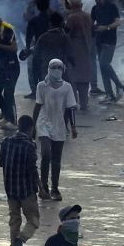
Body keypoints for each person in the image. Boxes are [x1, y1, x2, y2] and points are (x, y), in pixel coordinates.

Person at [34, 59, 78, 201]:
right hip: (43, 123)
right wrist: (33, 126)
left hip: (59, 125)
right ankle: (44, 186)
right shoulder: (41, 86)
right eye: (54, 67)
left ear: (63, 70)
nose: (56, 70)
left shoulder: (67, 87)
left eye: (59, 67)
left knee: (57, 159)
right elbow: (37, 106)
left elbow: (70, 108)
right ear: (49, 68)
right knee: (46, 154)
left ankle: (55, 188)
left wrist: (73, 127)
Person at [0, 114, 40, 246]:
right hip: (26, 190)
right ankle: (20, 240)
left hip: (9, 188)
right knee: (33, 219)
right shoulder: (30, 144)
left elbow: (0, 161)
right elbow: (32, 168)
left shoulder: (6, 141)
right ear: (30, 128)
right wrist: (40, 186)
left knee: (14, 219)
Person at [91, 0, 124, 103]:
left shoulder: (112, 7)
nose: (97, 1)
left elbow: (118, 22)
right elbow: (92, 22)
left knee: (104, 64)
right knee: (102, 67)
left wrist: (106, 27)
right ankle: (109, 94)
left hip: (110, 40)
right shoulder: (95, 8)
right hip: (99, 40)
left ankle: (119, 85)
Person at [0, 17, 21, 128]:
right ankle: (7, 116)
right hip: (2, 67)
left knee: (8, 93)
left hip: (11, 66)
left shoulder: (7, 29)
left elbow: (14, 48)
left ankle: (13, 121)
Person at [63, 0, 94, 111]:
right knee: (84, 77)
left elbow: (67, 33)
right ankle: (84, 103)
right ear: (80, 5)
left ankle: (73, 103)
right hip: (86, 48)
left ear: (71, 6)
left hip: (75, 48)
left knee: (73, 77)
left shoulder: (72, 17)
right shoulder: (87, 16)